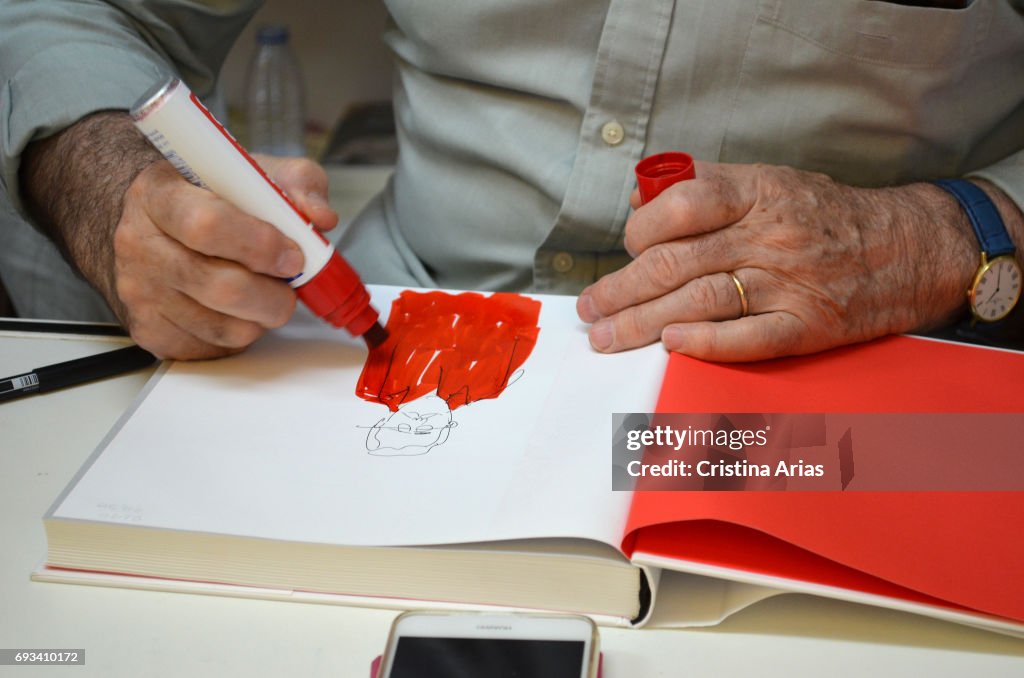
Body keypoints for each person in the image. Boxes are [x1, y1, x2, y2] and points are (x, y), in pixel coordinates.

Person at [1, 1, 1023, 362]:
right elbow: (75, 12)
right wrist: (112, 193)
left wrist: (948, 234)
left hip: (873, 355)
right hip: (381, 332)